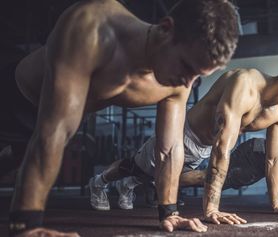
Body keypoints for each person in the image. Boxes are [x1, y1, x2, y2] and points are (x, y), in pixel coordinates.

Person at [1, 0, 240, 236]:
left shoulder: (177, 81)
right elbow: (56, 129)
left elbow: (169, 148)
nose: (187, 83)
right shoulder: (92, 27)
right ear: (166, 28)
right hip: (11, 99)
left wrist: (169, 213)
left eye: (197, 77)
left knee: (13, 163)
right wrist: (27, 227)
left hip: (36, 131)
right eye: (186, 66)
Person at [90, 47, 278, 224]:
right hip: (183, 135)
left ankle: (132, 184)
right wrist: (211, 209)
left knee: (176, 176)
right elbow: (222, 148)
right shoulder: (245, 85)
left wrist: (277, 204)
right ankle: (99, 182)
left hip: (202, 151)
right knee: (137, 167)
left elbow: (274, 159)